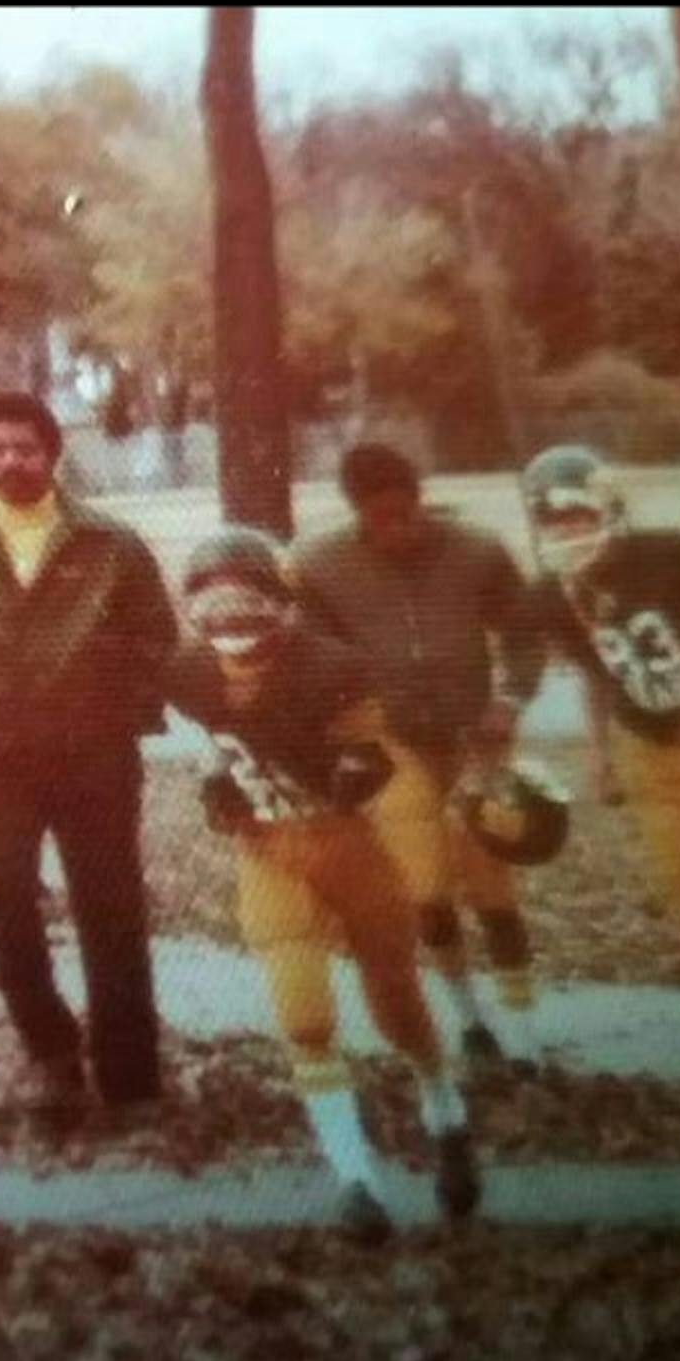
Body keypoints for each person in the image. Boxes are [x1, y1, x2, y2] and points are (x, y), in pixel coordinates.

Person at [169, 530, 481, 1242]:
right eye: (212, 606)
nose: (229, 622)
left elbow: (368, 758)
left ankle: (444, 1106)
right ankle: (357, 1181)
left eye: (245, 602)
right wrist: (219, 781)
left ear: (282, 603)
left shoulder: (331, 667)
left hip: (348, 843)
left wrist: (346, 771)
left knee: (396, 1000)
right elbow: (212, 740)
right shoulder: (187, 671)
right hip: (270, 850)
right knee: (304, 1016)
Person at [0, 391, 177, 1122]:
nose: (10, 462)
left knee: (110, 911)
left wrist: (121, 714)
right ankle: (52, 1053)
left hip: (94, 761)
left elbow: (156, 639)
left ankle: (130, 1075)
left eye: (24, 447)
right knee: (2, 901)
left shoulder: (109, 543)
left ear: (51, 453)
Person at [291, 444, 548, 1066]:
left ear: (421, 498)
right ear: (356, 512)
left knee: (492, 886)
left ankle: (524, 1030)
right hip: (394, 744)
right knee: (426, 886)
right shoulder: (320, 564)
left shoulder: (477, 549)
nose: (397, 529)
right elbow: (313, 658)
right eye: (380, 519)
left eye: (406, 513)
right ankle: (470, 1018)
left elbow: (522, 632)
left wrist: (510, 700)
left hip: (472, 737)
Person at [521, 445, 680, 1039]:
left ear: (610, 508)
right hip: (649, 757)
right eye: (553, 521)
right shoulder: (553, 595)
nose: (567, 531)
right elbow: (598, 677)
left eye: (577, 515)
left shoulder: (670, 551)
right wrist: (600, 755)